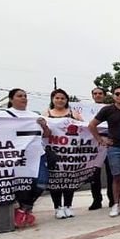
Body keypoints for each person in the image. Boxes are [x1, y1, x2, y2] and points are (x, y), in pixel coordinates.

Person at [0, 88, 51, 227]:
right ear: (11, 99)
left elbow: (46, 134)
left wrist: (44, 125)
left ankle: (23, 209)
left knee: (41, 182)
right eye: (19, 96)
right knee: (21, 184)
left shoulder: (34, 116)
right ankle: (25, 211)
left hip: (36, 155)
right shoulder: (0, 115)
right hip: (15, 156)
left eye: (25, 96)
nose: (23, 98)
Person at [88, 86, 120, 218]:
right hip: (114, 148)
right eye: (117, 94)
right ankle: (116, 204)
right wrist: (100, 140)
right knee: (117, 177)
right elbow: (92, 125)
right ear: (113, 96)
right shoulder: (107, 110)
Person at [43, 88, 83, 219]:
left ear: (66, 100)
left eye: (62, 98)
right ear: (52, 100)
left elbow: (84, 129)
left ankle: (68, 205)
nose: (60, 100)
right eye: (57, 98)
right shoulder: (47, 114)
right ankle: (57, 207)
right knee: (55, 180)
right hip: (53, 152)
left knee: (69, 178)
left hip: (71, 153)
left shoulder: (74, 114)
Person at [87, 87, 114, 210]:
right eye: (95, 93)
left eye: (100, 93)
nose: (98, 95)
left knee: (111, 173)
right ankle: (96, 200)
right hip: (93, 142)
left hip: (109, 141)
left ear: (104, 95)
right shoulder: (85, 110)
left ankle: (112, 199)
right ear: (92, 95)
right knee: (94, 173)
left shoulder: (110, 109)